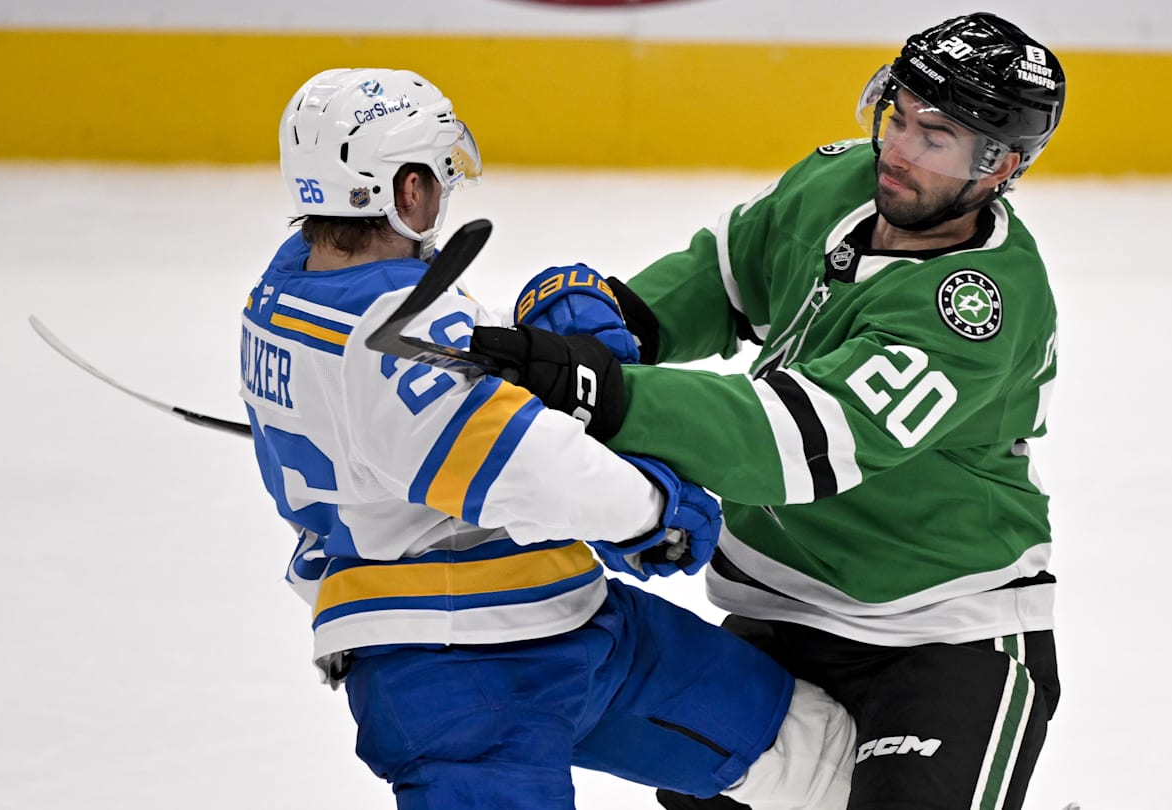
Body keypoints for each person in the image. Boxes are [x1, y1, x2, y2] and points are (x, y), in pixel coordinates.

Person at [470, 12, 1067, 810]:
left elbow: (794, 440)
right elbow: (722, 280)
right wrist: (616, 325)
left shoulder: (980, 307)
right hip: (774, 612)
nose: (896, 148)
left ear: (1000, 165)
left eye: (934, 137)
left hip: (939, 633)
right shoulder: (839, 182)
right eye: (896, 113)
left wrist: (601, 393)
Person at [240, 67, 855, 810]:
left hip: (569, 618)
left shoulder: (282, 294)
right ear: (405, 192)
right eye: (436, 176)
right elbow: (526, 468)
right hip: (455, 674)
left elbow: (410, 410)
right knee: (815, 761)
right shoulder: (394, 334)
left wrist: (531, 360)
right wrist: (650, 510)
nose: (442, 194)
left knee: (819, 752)